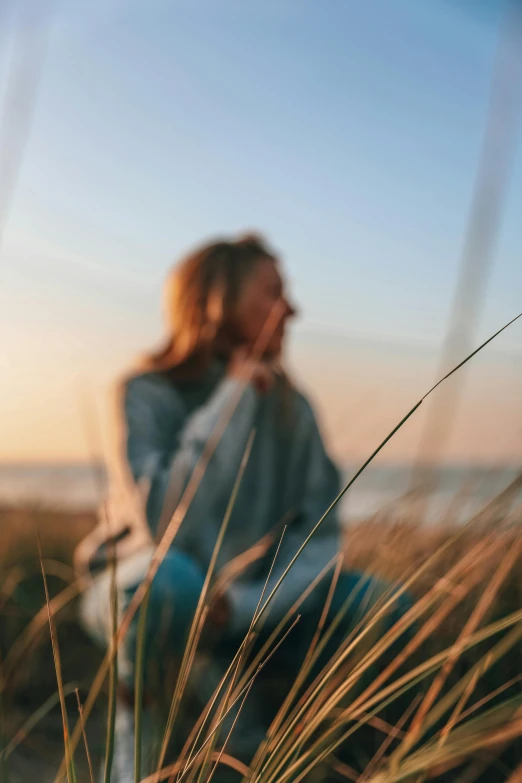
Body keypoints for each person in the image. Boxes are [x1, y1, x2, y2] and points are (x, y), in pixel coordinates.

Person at [75, 234, 409, 782]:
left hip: (250, 605)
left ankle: (355, 765)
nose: (292, 311)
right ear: (217, 303)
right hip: (145, 595)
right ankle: (134, 762)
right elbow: (162, 524)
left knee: (386, 606)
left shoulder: (292, 410)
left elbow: (322, 539)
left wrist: (248, 603)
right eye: (272, 293)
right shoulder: (144, 393)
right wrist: (232, 398)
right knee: (172, 583)